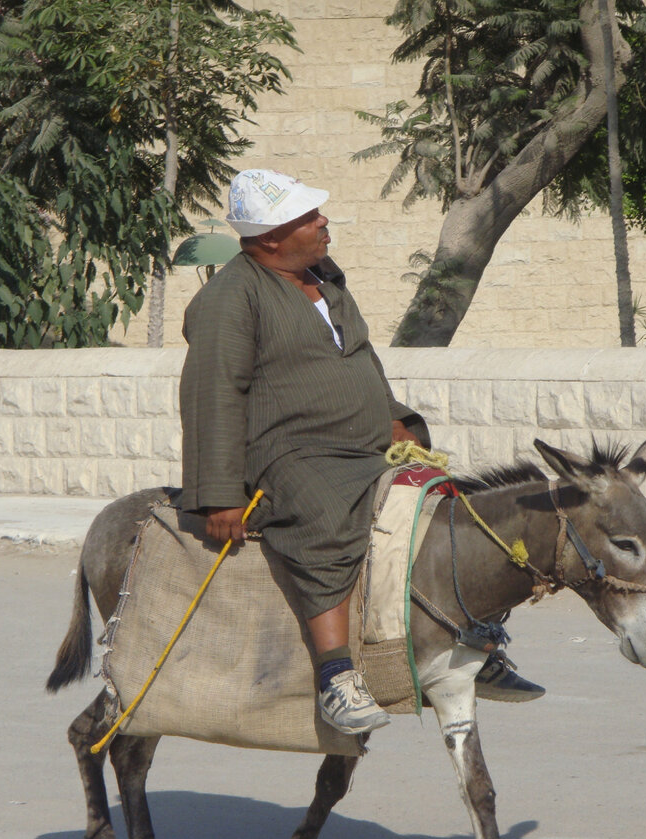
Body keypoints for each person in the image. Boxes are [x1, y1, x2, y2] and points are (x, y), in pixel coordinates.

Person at [179, 169, 541, 735]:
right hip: (291, 455)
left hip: (365, 443)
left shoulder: (324, 278)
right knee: (324, 515)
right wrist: (219, 496)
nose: (324, 223)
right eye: (308, 218)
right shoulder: (230, 297)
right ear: (270, 237)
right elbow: (213, 394)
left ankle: (474, 644)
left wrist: (395, 418)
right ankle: (336, 678)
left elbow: (359, 359)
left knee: (446, 504)